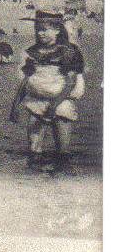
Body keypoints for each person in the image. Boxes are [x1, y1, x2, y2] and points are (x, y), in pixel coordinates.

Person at [9, 10, 86, 172]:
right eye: (37, 29)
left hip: (61, 103)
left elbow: (70, 82)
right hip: (36, 102)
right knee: (34, 150)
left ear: (57, 29)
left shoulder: (69, 51)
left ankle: (60, 181)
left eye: (44, 29)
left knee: (63, 152)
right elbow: (26, 80)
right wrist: (15, 106)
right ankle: (34, 182)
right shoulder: (31, 52)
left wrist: (54, 105)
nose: (40, 33)